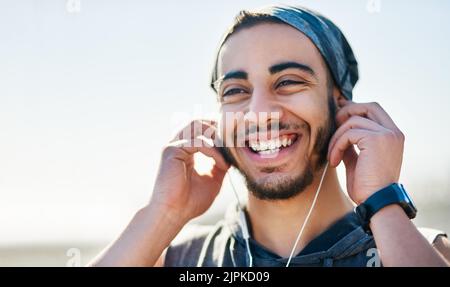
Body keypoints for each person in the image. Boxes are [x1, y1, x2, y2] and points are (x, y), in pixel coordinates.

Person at [90, 5, 450, 267]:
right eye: (235, 91)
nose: (259, 111)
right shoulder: (174, 259)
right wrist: (163, 214)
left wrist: (383, 203)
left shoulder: (427, 251)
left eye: (289, 81)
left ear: (341, 102)